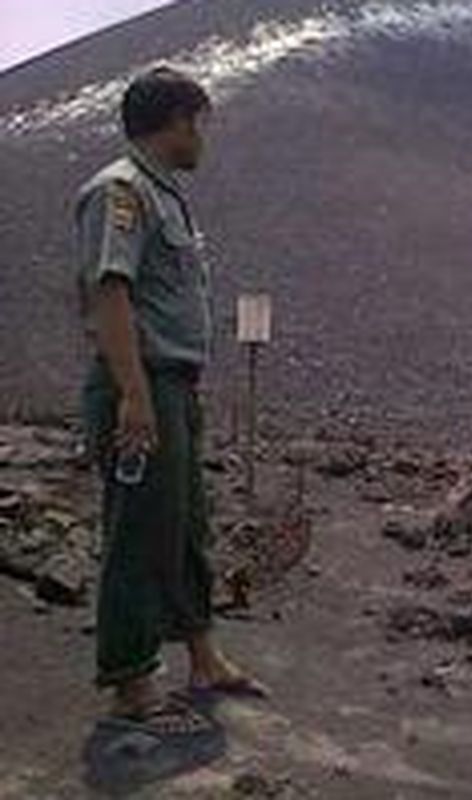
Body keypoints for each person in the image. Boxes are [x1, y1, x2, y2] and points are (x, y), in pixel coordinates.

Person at [76, 66, 266, 736]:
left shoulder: (165, 197)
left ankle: (204, 657)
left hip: (171, 385)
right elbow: (110, 293)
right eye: (199, 122)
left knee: (185, 525)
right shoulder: (122, 193)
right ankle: (130, 683)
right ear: (176, 121)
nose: (203, 137)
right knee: (138, 532)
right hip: (142, 384)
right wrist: (134, 395)